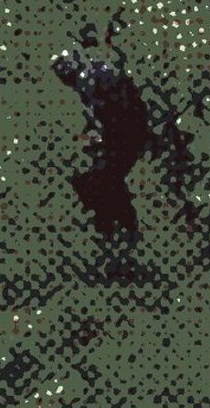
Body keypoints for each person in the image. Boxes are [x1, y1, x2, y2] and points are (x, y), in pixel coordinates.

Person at [53, 38, 152, 266]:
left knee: (103, 180)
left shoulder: (88, 80)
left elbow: (103, 115)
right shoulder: (99, 70)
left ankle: (116, 236)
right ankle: (120, 233)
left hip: (125, 135)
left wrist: (98, 138)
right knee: (107, 178)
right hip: (132, 131)